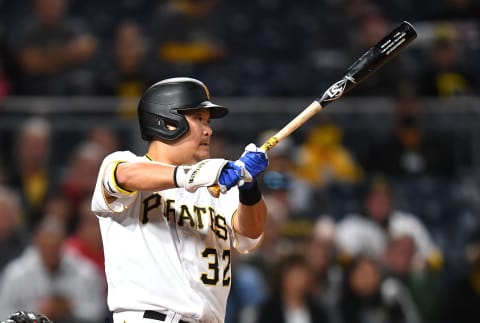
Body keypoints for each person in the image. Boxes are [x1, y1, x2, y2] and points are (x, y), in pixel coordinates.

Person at [90, 77, 269, 323]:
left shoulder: (215, 188)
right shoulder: (123, 163)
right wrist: (195, 174)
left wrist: (249, 186)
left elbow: (251, 234)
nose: (209, 130)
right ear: (167, 122)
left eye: (207, 121)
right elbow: (125, 176)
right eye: (198, 119)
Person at [0, 215, 106, 323]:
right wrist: (37, 312)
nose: (50, 252)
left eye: (54, 247)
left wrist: (70, 307)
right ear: (37, 243)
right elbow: (3, 315)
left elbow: (99, 312)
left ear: (63, 243)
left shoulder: (86, 272)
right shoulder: (15, 275)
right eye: (46, 247)